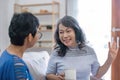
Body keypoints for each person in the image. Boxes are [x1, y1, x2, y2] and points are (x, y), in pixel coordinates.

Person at [46, 16, 119, 80]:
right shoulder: (56, 53)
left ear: (76, 32)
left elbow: (97, 75)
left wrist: (110, 59)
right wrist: (58, 78)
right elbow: (48, 75)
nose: (65, 35)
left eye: (68, 31)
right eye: (61, 32)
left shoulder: (89, 51)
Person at [0, 12, 42, 80]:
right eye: (38, 32)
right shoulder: (17, 66)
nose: (38, 36)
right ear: (30, 37)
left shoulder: (6, 54)